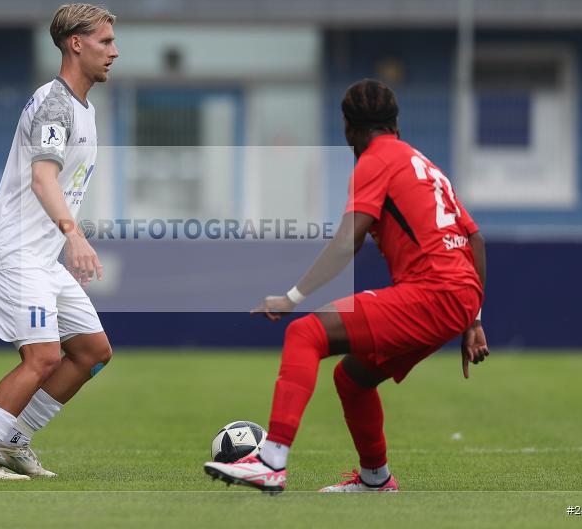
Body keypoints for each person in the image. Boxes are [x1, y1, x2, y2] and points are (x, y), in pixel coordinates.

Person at [204, 79, 489, 493]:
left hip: (434, 292)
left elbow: (346, 241)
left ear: (349, 128)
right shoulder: (423, 164)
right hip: (458, 297)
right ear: (396, 123)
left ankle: (271, 461)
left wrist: (293, 297)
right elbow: (475, 239)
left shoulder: (375, 161)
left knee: (305, 332)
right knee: (353, 378)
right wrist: (473, 318)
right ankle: (376, 479)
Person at [0, 3, 119, 480]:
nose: (115, 52)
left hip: (39, 255)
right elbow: (44, 177)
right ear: (76, 44)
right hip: (12, 250)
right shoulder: (55, 104)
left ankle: (13, 443)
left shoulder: (82, 106)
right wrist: (74, 235)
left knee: (92, 353)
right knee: (43, 356)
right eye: (105, 42)